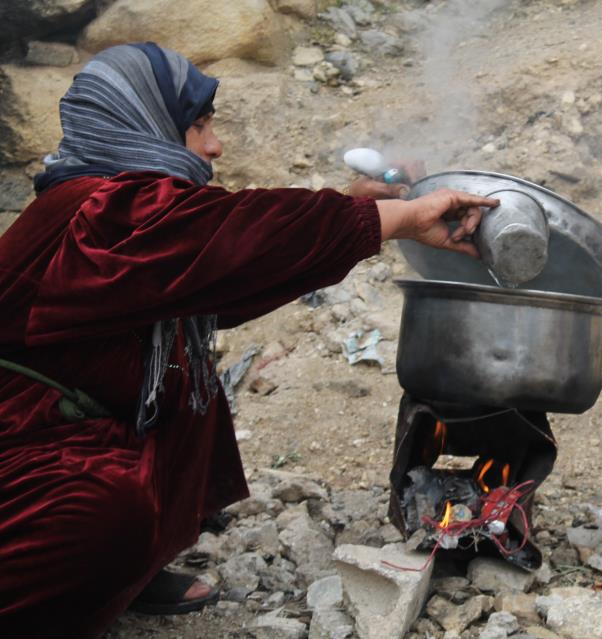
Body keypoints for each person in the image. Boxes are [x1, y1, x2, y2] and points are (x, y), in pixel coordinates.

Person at [0, 43, 497, 638]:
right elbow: (232, 237)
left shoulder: (114, 208)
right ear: (142, 124)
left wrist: (357, 211)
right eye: (199, 126)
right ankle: (71, 576)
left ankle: (121, 573)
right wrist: (394, 220)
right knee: (103, 511)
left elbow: (221, 269)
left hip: (59, 423)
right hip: (18, 441)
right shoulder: (95, 213)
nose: (214, 146)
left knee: (185, 383)